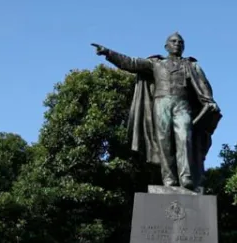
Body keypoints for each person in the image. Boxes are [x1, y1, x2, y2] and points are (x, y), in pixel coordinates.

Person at [91, 32, 221, 191]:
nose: (177, 44)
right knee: (164, 141)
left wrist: (209, 101)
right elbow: (131, 63)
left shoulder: (191, 65)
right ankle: (169, 179)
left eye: (180, 42)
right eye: (173, 41)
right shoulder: (156, 63)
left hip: (183, 104)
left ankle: (185, 176)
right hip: (161, 103)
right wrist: (108, 53)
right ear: (166, 46)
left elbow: (203, 86)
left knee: (184, 137)